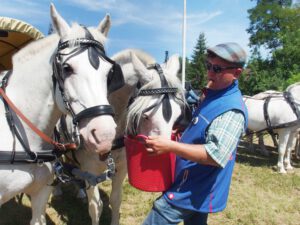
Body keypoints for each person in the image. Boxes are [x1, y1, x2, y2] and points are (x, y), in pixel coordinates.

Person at [142, 42, 248, 225]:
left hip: (192, 188)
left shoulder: (231, 110)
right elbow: (203, 128)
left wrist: (170, 146)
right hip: (196, 185)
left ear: (236, 73)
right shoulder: (213, 95)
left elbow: (216, 155)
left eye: (217, 69)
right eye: (209, 66)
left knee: (159, 215)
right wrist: (183, 130)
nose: (209, 73)